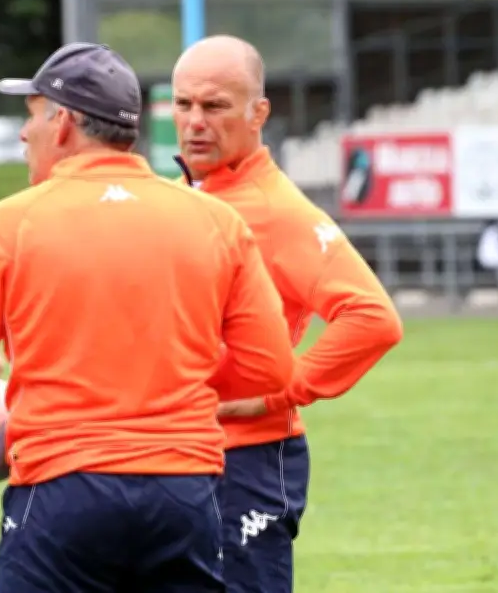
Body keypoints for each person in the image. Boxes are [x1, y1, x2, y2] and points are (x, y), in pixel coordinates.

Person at [0, 42, 295, 593]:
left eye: (33, 114)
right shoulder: (217, 222)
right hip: (185, 494)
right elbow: (272, 368)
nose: (24, 133)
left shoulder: (7, 225)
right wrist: (168, 386)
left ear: (63, 123)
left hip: (62, 491)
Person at [170, 35, 404, 593]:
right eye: (183, 104)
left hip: (245, 459)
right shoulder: (177, 199)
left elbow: (372, 317)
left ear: (259, 113)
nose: (195, 122)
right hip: (175, 454)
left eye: (215, 105)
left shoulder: (277, 211)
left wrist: (283, 391)